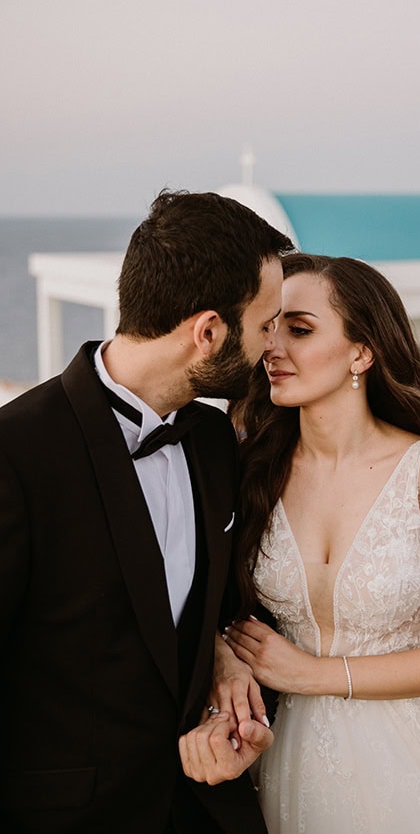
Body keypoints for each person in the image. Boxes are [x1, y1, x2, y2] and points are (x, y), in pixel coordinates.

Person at [0, 190, 294, 834]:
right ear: (209, 332)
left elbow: (210, 614)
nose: (273, 344)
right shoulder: (15, 453)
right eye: (266, 323)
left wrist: (224, 655)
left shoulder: (217, 442)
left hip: (203, 808)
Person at [224, 253, 420, 833]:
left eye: (299, 328)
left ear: (361, 352)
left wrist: (312, 675)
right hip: (283, 756)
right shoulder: (252, 469)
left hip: (413, 760)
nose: (274, 346)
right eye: (269, 327)